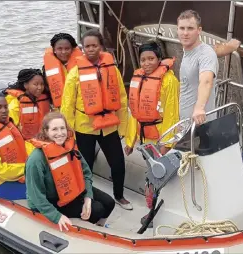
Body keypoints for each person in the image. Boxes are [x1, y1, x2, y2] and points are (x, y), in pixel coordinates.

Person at [61, 29, 132, 210]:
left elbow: (122, 99)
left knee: (118, 163)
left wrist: (123, 128)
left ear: (101, 47)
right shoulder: (75, 73)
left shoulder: (112, 70)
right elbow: (67, 105)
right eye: (87, 46)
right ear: (82, 48)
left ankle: (119, 195)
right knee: (86, 165)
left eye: (94, 45)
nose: (91, 49)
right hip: (84, 127)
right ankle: (87, 196)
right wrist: (67, 133)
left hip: (109, 126)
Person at [25, 112, 115, 231]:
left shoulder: (69, 147)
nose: (60, 133)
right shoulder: (36, 159)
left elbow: (86, 172)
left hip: (72, 189)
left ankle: (99, 226)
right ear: (46, 132)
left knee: (109, 202)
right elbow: (35, 195)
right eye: (54, 129)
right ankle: (87, 227)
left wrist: (88, 197)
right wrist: (56, 216)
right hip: (53, 200)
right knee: (97, 209)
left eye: (63, 128)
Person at [177, 10, 240, 124]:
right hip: (186, 123)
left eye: (190, 28)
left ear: (199, 31)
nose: (185, 33)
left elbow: (206, 81)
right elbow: (213, 50)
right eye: (182, 28)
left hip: (200, 124)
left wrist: (199, 109)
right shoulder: (190, 49)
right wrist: (230, 46)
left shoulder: (205, 54)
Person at [124, 41, 180, 156]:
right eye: (143, 60)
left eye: (151, 58)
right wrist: (130, 141)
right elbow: (135, 113)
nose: (147, 63)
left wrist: (167, 144)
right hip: (144, 138)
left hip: (160, 138)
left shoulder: (169, 81)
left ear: (159, 59)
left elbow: (172, 113)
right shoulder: (137, 79)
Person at [3, 68, 51, 140]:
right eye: (36, 84)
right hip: (27, 143)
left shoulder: (45, 99)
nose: (40, 87)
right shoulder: (15, 105)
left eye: (42, 84)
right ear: (25, 85)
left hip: (45, 140)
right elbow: (11, 128)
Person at [43, 33, 83, 108]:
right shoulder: (46, 68)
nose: (63, 52)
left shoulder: (82, 64)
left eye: (67, 48)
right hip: (58, 107)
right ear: (54, 49)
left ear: (72, 49)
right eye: (60, 49)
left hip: (78, 106)